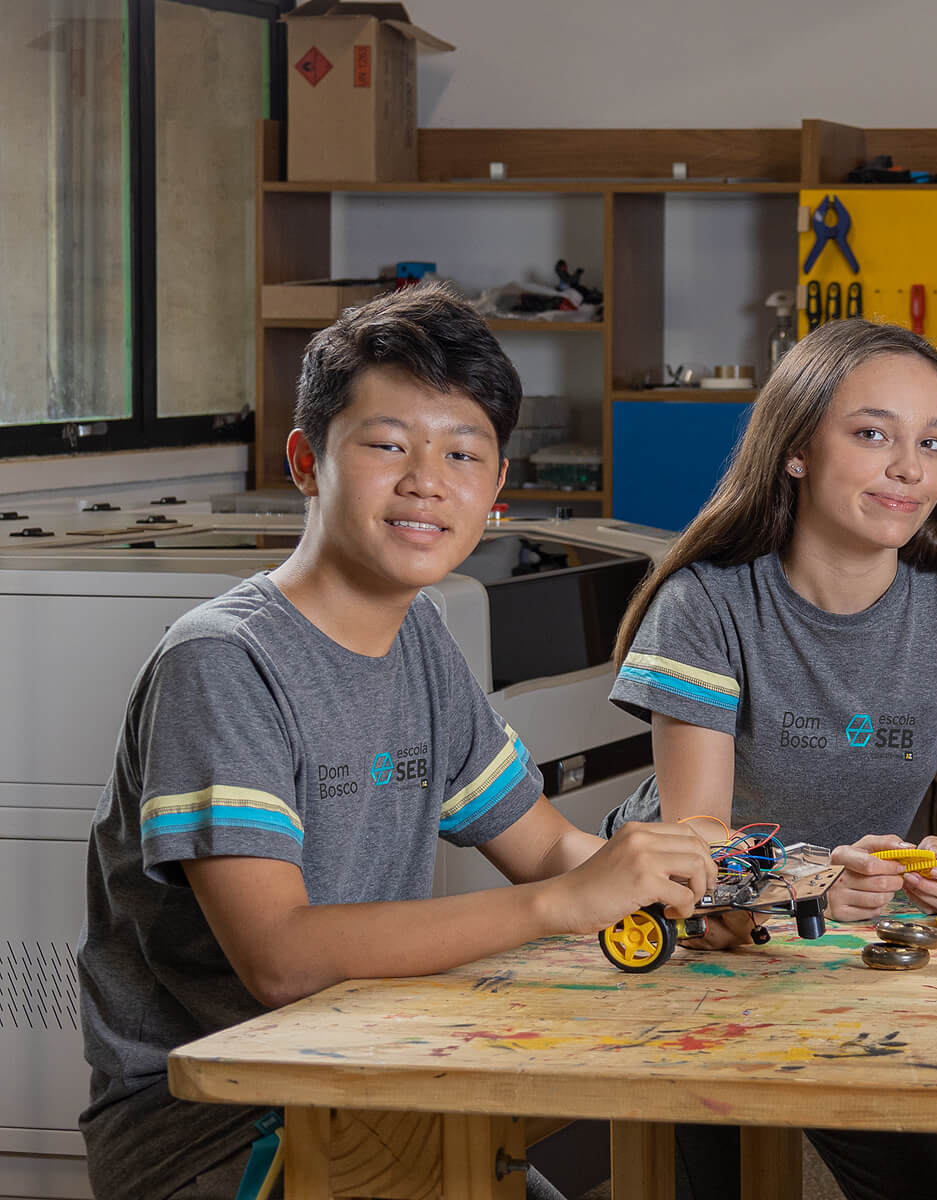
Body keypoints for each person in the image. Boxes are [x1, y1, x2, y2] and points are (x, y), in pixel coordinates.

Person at [77, 284, 717, 1200]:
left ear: (497, 488)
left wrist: (683, 890)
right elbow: (282, 958)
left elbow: (546, 848)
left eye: (463, 453)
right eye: (387, 445)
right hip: (224, 1125)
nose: (427, 481)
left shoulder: (420, 638)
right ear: (307, 459)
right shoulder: (223, 661)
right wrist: (569, 901)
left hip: (377, 1074)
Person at [604, 317, 937, 1200]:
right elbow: (697, 835)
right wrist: (807, 879)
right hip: (694, 922)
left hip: (841, 928)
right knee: (713, 1178)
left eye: (931, 442)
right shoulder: (705, 603)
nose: (909, 468)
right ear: (795, 452)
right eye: (872, 434)